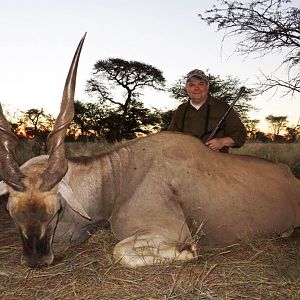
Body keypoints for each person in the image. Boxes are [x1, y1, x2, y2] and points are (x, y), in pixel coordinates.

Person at [168, 69, 247, 153]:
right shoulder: (181, 109)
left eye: (201, 84)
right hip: (185, 160)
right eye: (191, 85)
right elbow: (170, 136)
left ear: (207, 86)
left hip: (215, 161)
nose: (196, 88)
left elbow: (240, 134)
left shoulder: (223, 107)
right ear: (186, 88)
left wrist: (222, 142)